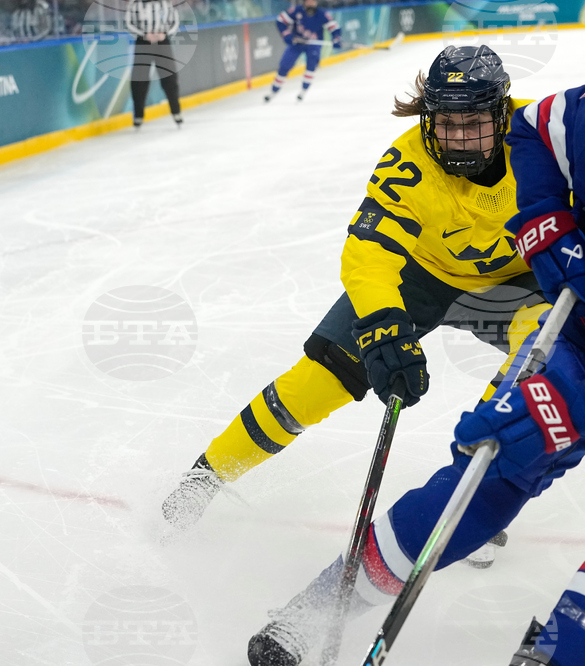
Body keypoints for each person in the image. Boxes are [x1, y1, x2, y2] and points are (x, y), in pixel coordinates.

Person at [246, 29, 585, 666]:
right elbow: (533, 132)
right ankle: (319, 608)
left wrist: (562, 413)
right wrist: (548, 228)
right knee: (490, 468)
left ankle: (556, 654)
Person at [162, 44, 546, 564]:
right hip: (422, 275)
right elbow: (369, 253)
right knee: (319, 379)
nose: (458, 137)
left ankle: (465, 494)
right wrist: (385, 324)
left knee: (539, 360)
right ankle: (204, 478)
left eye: (474, 121)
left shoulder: (545, 135)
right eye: (445, 122)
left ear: (502, 112)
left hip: (518, 278)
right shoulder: (408, 161)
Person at [264, 0, 341, 102]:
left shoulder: (322, 14)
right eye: (308, 1)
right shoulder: (296, 11)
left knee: (311, 67)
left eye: (313, 1)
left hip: (314, 45)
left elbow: (334, 27)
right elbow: (280, 20)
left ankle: (303, 91)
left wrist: (336, 38)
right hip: (297, 43)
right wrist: (287, 35)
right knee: (284, 65)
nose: (310, 3)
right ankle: (274, 91)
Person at [125, 0, 183, 126]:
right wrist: (145, 35)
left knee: (170, 78)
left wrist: (165, 34)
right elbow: (129, 23)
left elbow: (175, 21)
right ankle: (138, 115)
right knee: (139, 80)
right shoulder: (134, 3)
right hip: (143, 43)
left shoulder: (166, 2)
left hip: (163, 42)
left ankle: (176, 112)